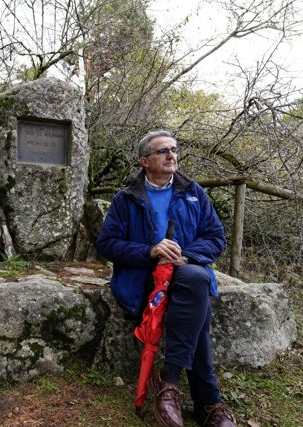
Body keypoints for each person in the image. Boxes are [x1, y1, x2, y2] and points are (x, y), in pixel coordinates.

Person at [96, 130, 236, 427]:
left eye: (174, 149)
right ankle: (209, 402)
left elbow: (215, 238)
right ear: (145, 161)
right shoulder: (127, 198)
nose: (172, 155)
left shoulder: (193, 192)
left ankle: (169, 382)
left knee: (194, 280)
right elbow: (107, 244)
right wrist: (150, 250)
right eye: (163, 151)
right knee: (197, 300)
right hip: (143, 276)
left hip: (185, 270)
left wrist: (185, 255)